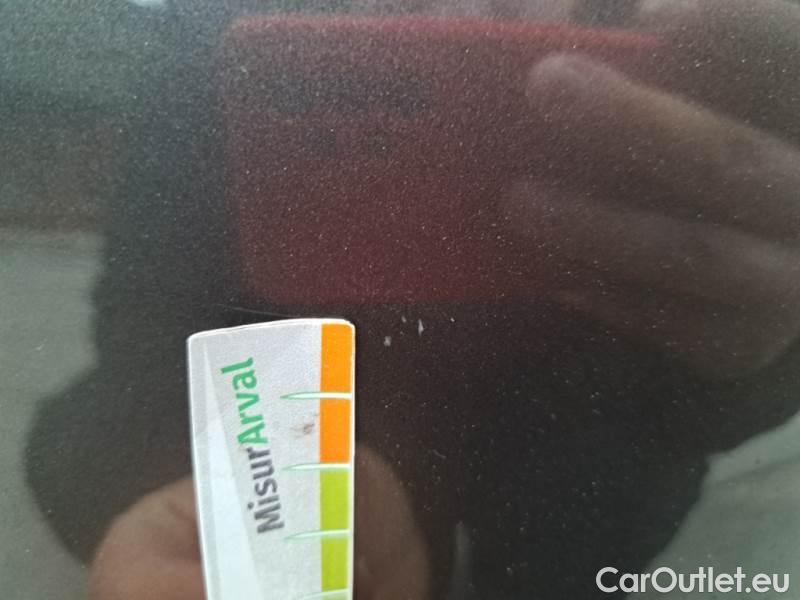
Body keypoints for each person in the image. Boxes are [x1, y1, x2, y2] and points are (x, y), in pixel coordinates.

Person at [25, 0, 800, 598]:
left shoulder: (698, 49)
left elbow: (691, 413)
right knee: (83, 440)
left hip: (569, 507)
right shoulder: (218, 40)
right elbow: (148, 334)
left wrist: (761, 341)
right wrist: (249, 511)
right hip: (335, 445)